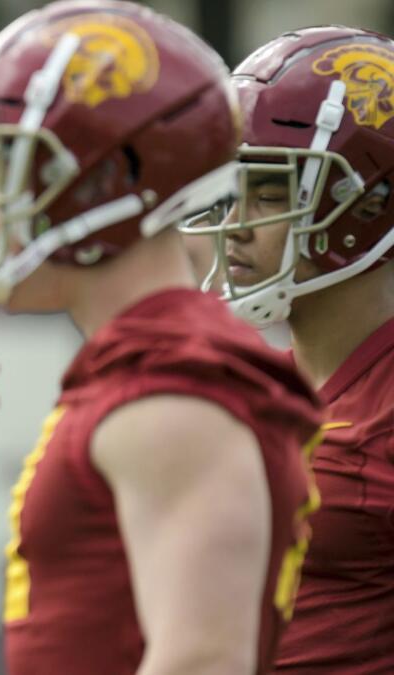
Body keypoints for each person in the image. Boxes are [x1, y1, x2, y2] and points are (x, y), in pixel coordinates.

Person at [0, 2, 322, 673]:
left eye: (9, 169)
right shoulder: (148, 362)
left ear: (106, 182)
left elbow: (202, 659)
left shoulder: (173, 385)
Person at [181, 26, 394, 673]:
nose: (234, 222)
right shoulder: (256, 384)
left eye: (270, 191)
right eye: (231, 188)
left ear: (369, 203)